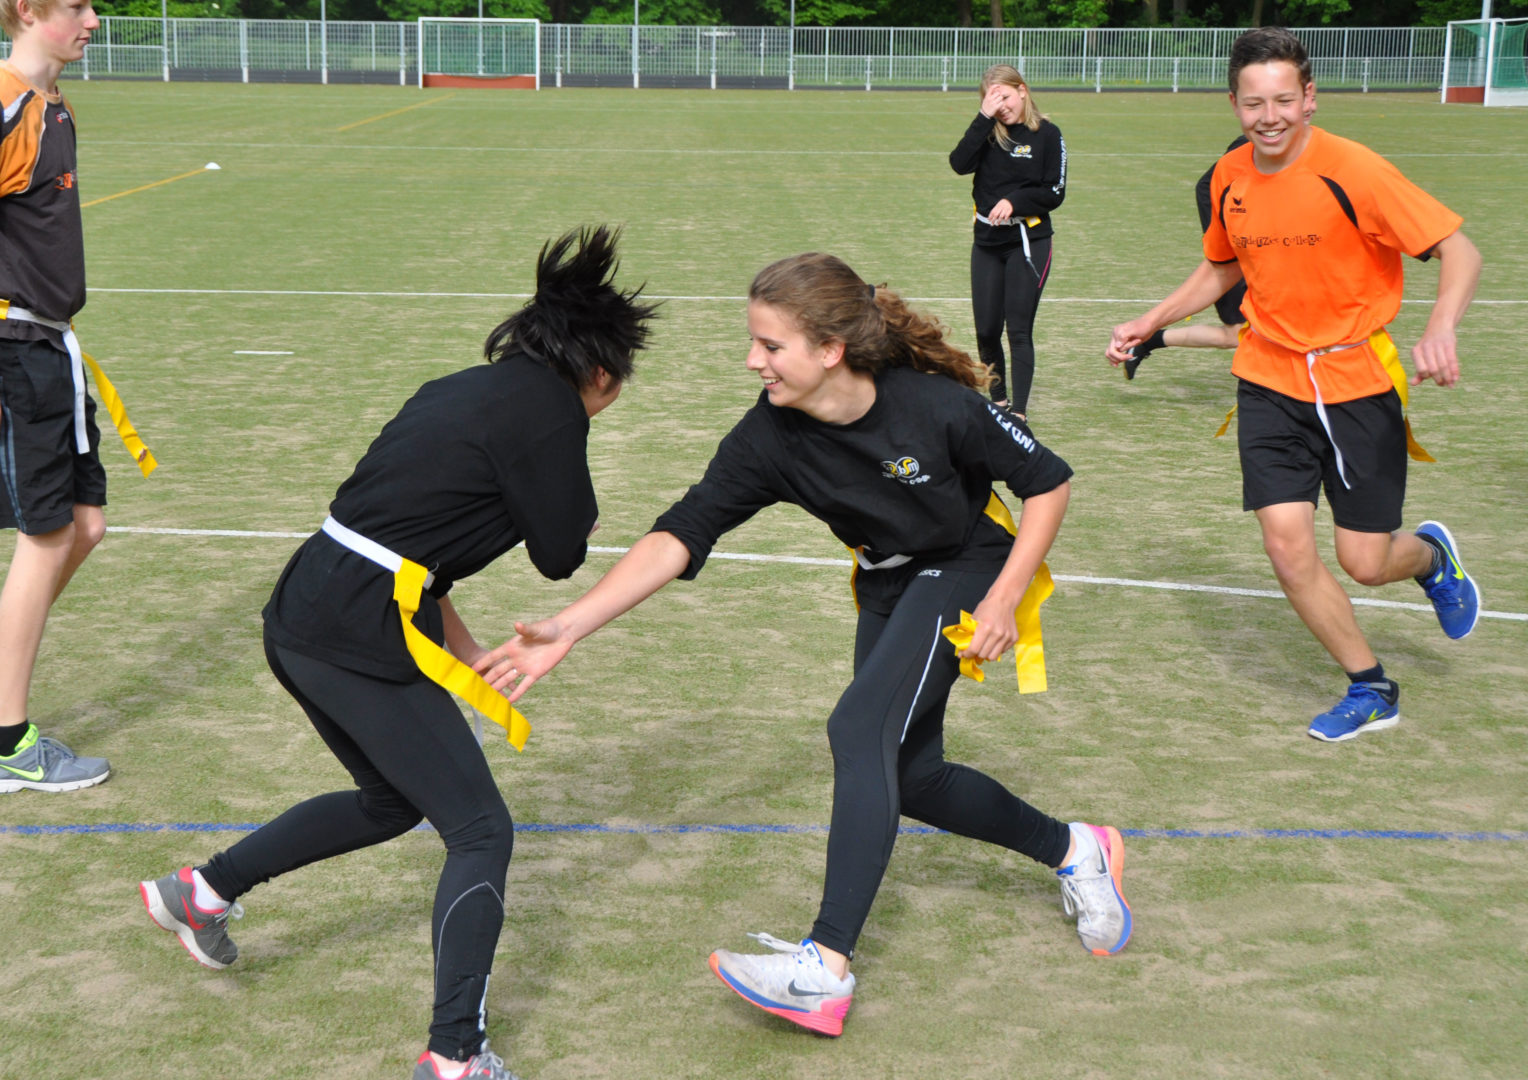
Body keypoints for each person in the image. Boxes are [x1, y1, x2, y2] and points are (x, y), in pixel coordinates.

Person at [477, 253, 1131, 1038]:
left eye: (770, 345)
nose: (754, 360)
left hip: (965, 567)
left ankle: (823, 966)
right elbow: (684, 532)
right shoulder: (769, 436)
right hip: (888, 583)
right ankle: (1078, 849)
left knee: (858, 731)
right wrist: (569, 626)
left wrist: (1001, 597)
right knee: (910, 778)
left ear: (830, 350)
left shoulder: (934, 407)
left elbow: (1048, 482)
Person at [139, 226, 658, 1080]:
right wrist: (578, 502)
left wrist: (468, 656)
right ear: (600, 372)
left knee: (389, 800)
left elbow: (414, 546)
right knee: (480, 830)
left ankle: (198, 893)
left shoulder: (460, 389)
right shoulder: (553, 413)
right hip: (354, 628)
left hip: (305, 605)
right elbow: (562, 551)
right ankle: (456, 1054)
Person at [1106, 27, 1483, 743]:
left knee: (1365, 562)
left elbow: (1459, 249)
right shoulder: (1229, 177)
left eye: (1283, 99)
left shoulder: (1356, 170)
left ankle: (1430, 557)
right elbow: (1222, 266)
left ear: (1309, 98)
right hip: (1268, 378)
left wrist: (1442, 325)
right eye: (1254, 104)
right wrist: (1149, 321)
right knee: (1285, 546)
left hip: (1354, 380)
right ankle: (1371, 685)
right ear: (1234, 104)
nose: (1269, 116)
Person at [0, 0, 114, 794]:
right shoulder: (8, 107)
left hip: (51, 348)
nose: (95, 21)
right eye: (77, 6)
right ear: (30, 10)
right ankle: (8, 742)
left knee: (85, 527)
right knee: (46, 538)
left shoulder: (53, 105)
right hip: (15, 351)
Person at [949, 63, 1066, 419]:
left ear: (1022, 90)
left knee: (1018, 329)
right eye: (992, 99)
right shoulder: (988, 131)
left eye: (1005, 96)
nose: (1001, 106)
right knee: (986, 330)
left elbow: (1054, 191)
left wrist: (1015, 201)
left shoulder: (1047, 134)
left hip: (1028, 242)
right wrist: (983, 118)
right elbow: (958, 163)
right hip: (986, 242)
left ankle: (1019, 412)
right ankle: (998, 402)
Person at [1118, 135, 1250, 381]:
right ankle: (1149, 341)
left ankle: (1150, 341)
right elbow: (1206, 187)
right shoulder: (1250, 149)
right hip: (1238, 251)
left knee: (1237, 335)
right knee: (1236, 334)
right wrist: (1233, 245)